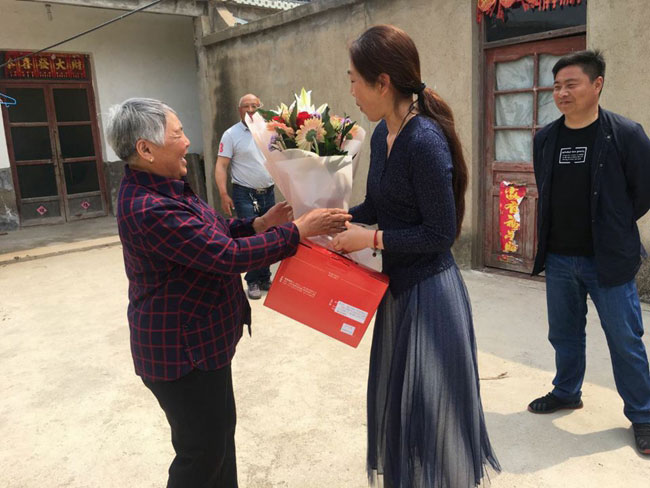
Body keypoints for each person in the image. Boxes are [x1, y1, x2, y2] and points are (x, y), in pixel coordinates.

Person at [106, 98, 351, 488]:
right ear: (146, 149)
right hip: (181, 354)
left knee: (219, 443)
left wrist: (259, 223)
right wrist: (298, 231)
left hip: (203, 346)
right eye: (178, 134)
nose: (187, 142)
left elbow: (214, 232)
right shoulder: (149, 207)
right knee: (200, 456)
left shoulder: (167, 188)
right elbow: (226, 256)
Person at [332, 25, 500, 487]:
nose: (352, 91)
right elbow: (378, 205)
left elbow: (439, 233)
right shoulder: (381, 135)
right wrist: (332, 218)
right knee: (404, 408)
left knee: (435, 416)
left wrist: (370, 239)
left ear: (383, 82)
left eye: (354, 81)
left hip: (430, 294)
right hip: (395, 293)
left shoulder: (423, 140)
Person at [528, 50, 650, 455]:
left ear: (597, 84)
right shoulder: (545, 139)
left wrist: (614, 223)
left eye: (571, 84)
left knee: (625, 338)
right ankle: (567, 391)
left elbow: (643, 190)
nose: (562, 93)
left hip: (609, 259)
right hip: (560, 258)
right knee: (563, 333)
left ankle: (644, 415)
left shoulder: (626, 134)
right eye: (556, 86)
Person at [215, 93, 275, 300]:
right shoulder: (231, 135)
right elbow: (221, 165)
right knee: (251, 236)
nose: (250, 110)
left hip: (268, 192)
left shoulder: (270, 130)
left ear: (260, 108)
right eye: (246, 106)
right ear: (239, 110)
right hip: (244, 193)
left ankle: (265, 277)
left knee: (268, 234)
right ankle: (252, 281)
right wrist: (223, 193)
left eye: (254, 106)